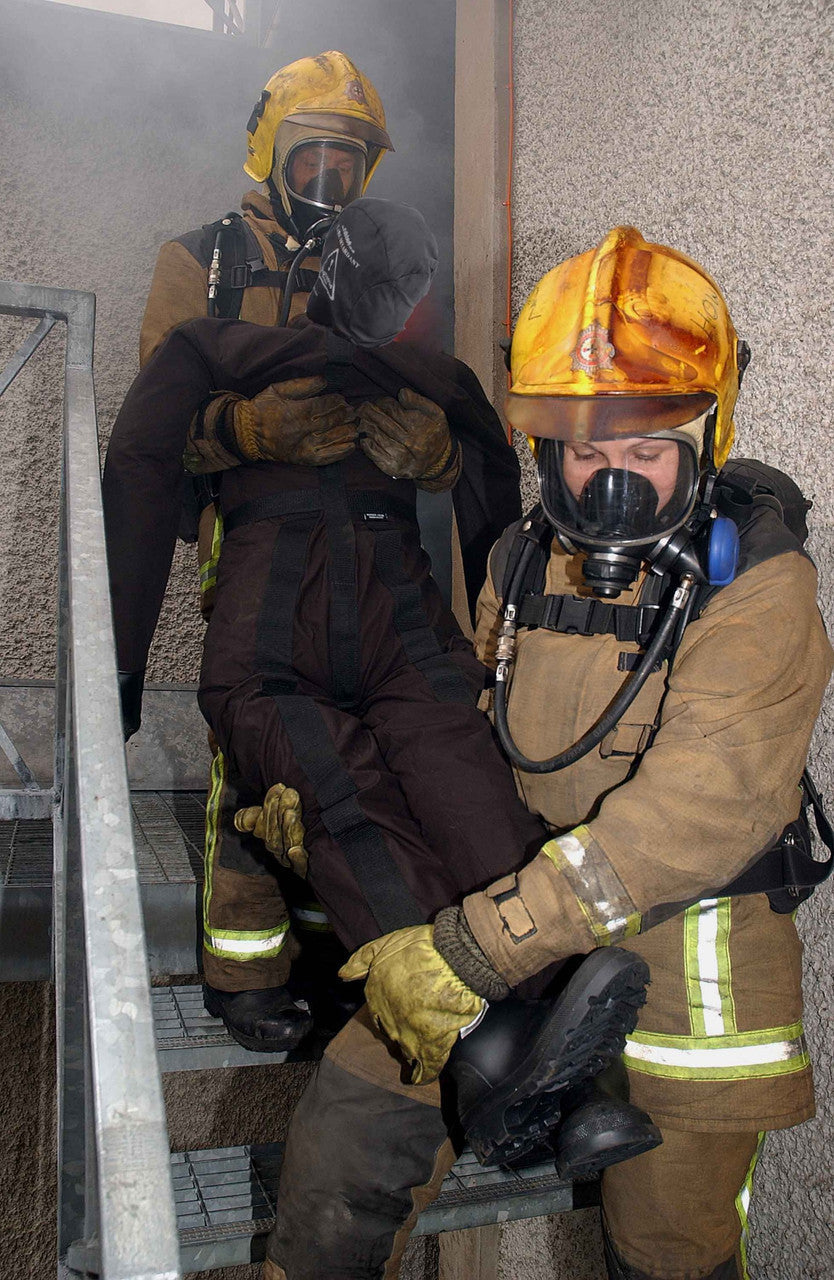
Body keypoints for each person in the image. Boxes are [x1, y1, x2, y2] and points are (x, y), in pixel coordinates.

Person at [250, 226, 833, 1280]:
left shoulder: (761, 590)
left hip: (688, 986)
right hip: (511, 919)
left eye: (645, 452)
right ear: (547, 444)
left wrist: (482, 943)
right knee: (347, 1134)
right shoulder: (521, 562)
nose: (610, 483)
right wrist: (345, 819)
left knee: (668, 1251)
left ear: (707, 436)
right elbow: (461, 742)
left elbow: (690, 817)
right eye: (585, 450)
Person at [105, 201, 652, 1166]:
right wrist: (122, 660)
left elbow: (497, 498)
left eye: (411, 286)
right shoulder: (215, 346)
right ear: (323, 268)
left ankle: (568, 1068)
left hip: (406, 621)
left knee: (477, 800)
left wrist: (447, 464)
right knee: (343, 799)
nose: (396, 301)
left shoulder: (436, 381)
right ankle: (484, 1061)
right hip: (273, 624)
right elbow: (145, 464)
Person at [131, 49, 432, 1051]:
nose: (328, 185)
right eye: (311, 162)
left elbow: (428, 395)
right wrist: (247, 433)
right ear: (271, 156)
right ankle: (242, 971)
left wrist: (429, 447)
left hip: (364, 546)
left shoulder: (386, 255)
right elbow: (154, 416)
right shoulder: (204, 259)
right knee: (255, 745)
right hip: (255, 539)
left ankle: (344, 957)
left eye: (347, 167)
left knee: (353, 747)